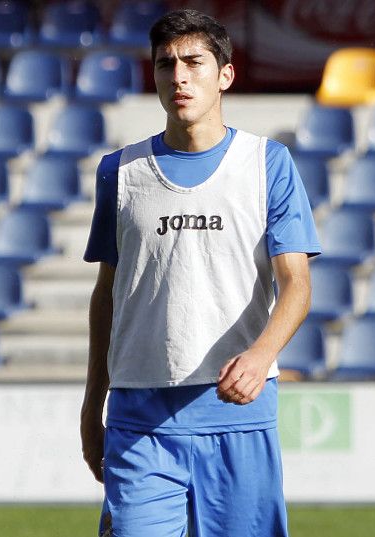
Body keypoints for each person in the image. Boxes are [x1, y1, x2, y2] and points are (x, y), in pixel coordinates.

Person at [79, 9, 320, 537]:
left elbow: (297, 285)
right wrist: (91, 403)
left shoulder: (268, 163)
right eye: (166, 65)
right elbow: (107, 297)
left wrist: (262, 356)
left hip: (236, 412)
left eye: (194, 62)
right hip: (138, 417)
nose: (180, 77)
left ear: (225, 75)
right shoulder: (119, 172)